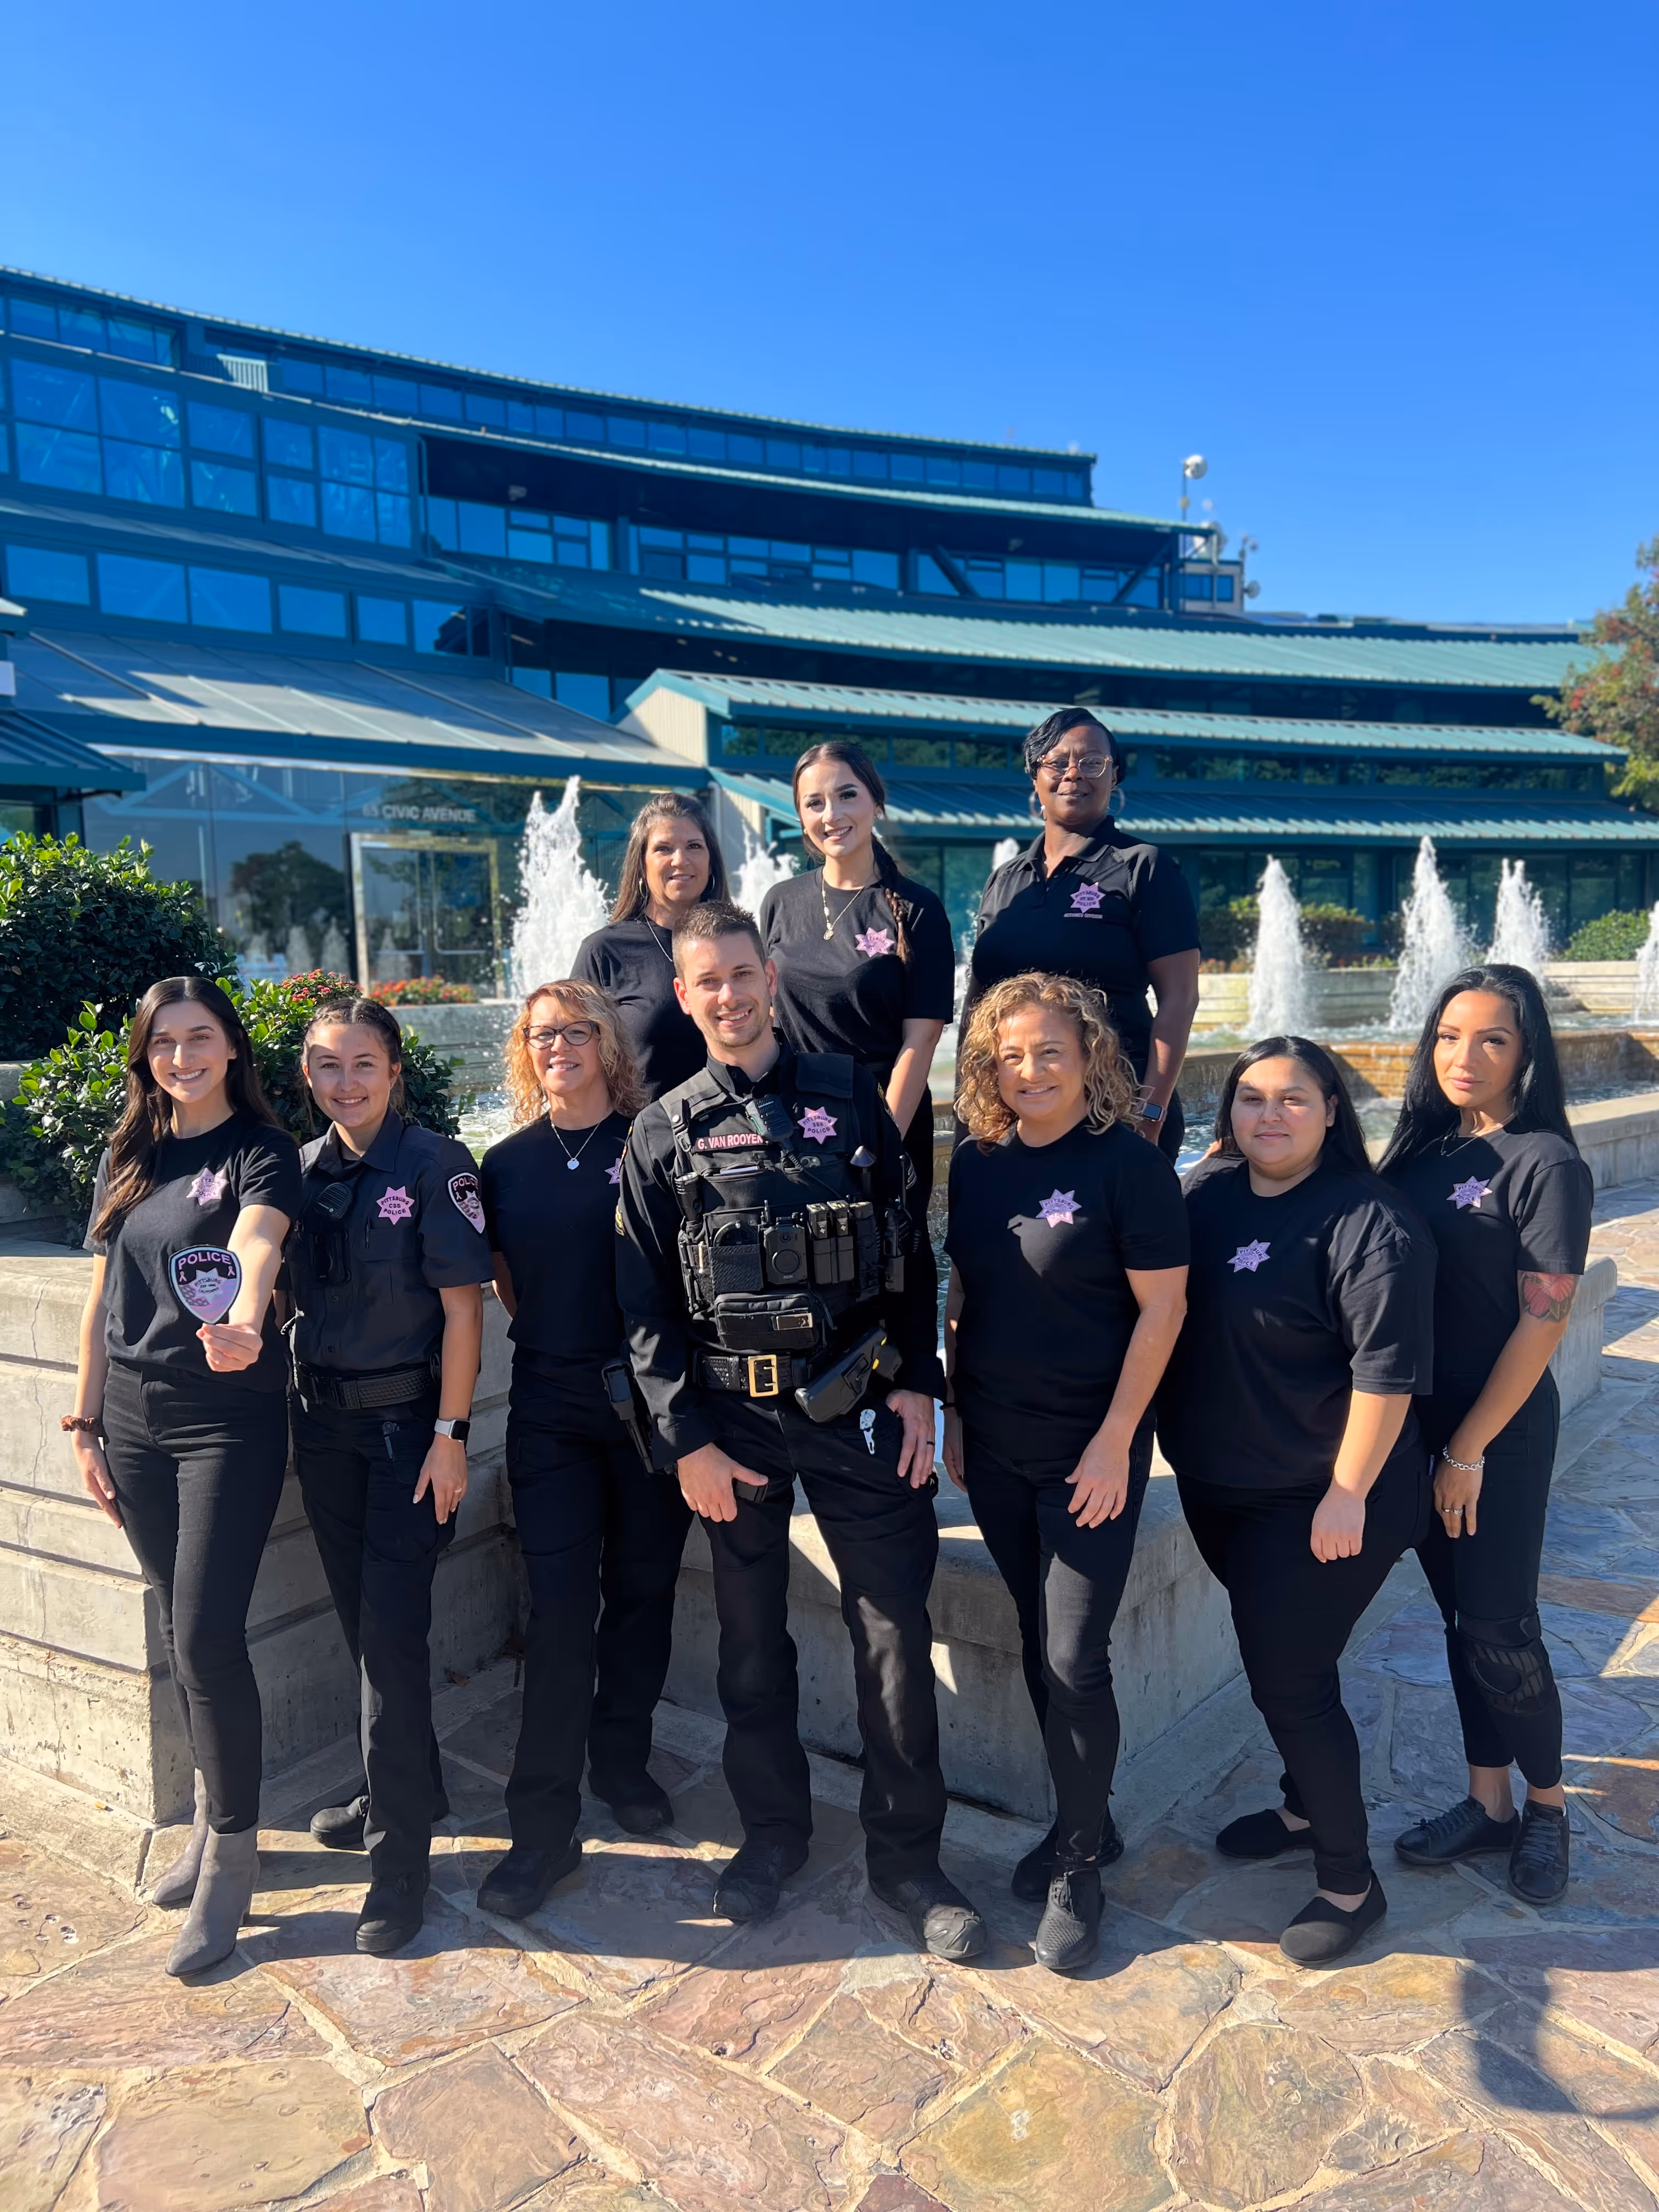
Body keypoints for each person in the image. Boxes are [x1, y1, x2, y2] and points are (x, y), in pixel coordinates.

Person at [616, 898, 985, 1958]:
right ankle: (771, 1835)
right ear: (683, 996)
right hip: (731, 1427)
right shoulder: (660, 1131)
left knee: (893, 1638)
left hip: (857, 1407)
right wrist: (685, 1439)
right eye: (707, 981)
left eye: (742, 974)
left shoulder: (850, 1096)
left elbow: (908, 1247)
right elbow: (642, 1306)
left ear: (769, 978)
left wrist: (918, 1382)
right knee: (749, 1649)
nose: (727, 995)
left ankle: (909, 1863)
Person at [1156, 1037, 1435, 1965]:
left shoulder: (1370, 1222)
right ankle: (1301, 1805)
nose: (1268, 1115)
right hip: (1221, 1484)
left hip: (1325, 1496)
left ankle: (1350, 1882)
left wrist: (1347, 1490)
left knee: (1289, 1679)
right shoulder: (1206, 1194)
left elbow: (1386, 1376)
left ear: (1330, 1111)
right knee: (1284, 1658)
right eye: (1250, 1097)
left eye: (1292, 1099)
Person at [941, 973, 1187, 1973]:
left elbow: (1164, 1310)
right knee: (1037, 1640)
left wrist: (1116, 1439)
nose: (1031, 1069)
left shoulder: (1129, 1165)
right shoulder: (976, 1161)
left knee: (1076, 1658)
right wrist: (956, 1410)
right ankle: (1086, 1818)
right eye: (1011, 1054)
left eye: (1050, 1050)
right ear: (988, 1066)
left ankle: (1078, 1863)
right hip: (996, 1444)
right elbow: (964, 1292)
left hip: (1090, 1453)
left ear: (1089, 1055)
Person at [66, 976, 301, 1976]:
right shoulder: (129, 1153)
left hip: (224, 1422)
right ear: (145, 1055)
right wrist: (84, 1422)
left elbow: (259, 1239)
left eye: (199, 1037)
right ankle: (212, 1820)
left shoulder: (260, 1150)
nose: (182, 1057)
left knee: (207, 1634)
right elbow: (99, 1296)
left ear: (231, 1047)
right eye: (163, 1042)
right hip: (130, 1418)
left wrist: (244, 1321)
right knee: (177, 1628)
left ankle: (235, 1856)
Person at [474, 979, 692, 1920]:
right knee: (560, 1615)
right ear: (524, 1052)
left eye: (574, 1031)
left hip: (648, 1405)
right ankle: (542, 1830)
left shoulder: (655, 1143)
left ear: (606, 1043)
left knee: (642, 1595)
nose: (557, 1046)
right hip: (551, 1408)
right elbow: (509, 1286)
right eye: (540, 1035)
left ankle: (622, 1761)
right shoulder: (504, 1163)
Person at [1379, 964, 1592, 1906]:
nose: (1464, 1056)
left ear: (1525, 1052)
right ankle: (1487, 1802)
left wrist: (1465, 1451)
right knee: (1460, 1622)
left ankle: (1546, 1806)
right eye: (1448, 1035)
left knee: (1501, 1628)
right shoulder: (1418, 1152)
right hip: (1419, 1423)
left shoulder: (1545, 1163)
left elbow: (1542, 1324)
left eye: (1492, 1039)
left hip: (1495, 1432)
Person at [286, 996, 493, 1955]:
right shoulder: (298, 1172)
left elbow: (464, 1311)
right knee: (363, 1630)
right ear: (308, 1076)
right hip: (322, 1428)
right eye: (327, 1065)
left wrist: (451, 1435)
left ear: (394, 1070)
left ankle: (398, 1862)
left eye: (363, 1063)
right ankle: (408, 1785)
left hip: (407, 1433)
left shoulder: (435, 1165)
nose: (346, 1083)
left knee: (391, 1643)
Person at [963, 708, 1201, 1160]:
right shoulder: (1006, 880)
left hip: (1115, 1110)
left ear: (1115, 777)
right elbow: (978, 1008)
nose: (1073, 773)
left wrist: (1149, 1114)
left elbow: (1180, 1000)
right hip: (1017, 1110)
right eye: (1057, 762)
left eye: (1093, 762)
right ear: (1035, 777)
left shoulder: (1144, 867)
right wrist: (971, 1110)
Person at [760, 740, 956, 1200]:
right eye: (815, 803)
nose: (832, 815)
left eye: (847, 795)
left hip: (882, 1122)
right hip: (797, 1127)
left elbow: (921, 1041)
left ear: (875, 801)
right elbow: (770, 1021)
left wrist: (880, 1143)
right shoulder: (779, 902)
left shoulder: (917, 909)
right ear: (801, 816)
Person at [572, 791, 728, 1101]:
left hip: (735, 1128)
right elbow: (574, 1058)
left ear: (711, 862)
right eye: (664, 849)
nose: (680, 860)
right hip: (645, 1128)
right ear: (642, 866)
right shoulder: (604, 952)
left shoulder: (736, 944)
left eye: (694, 846)